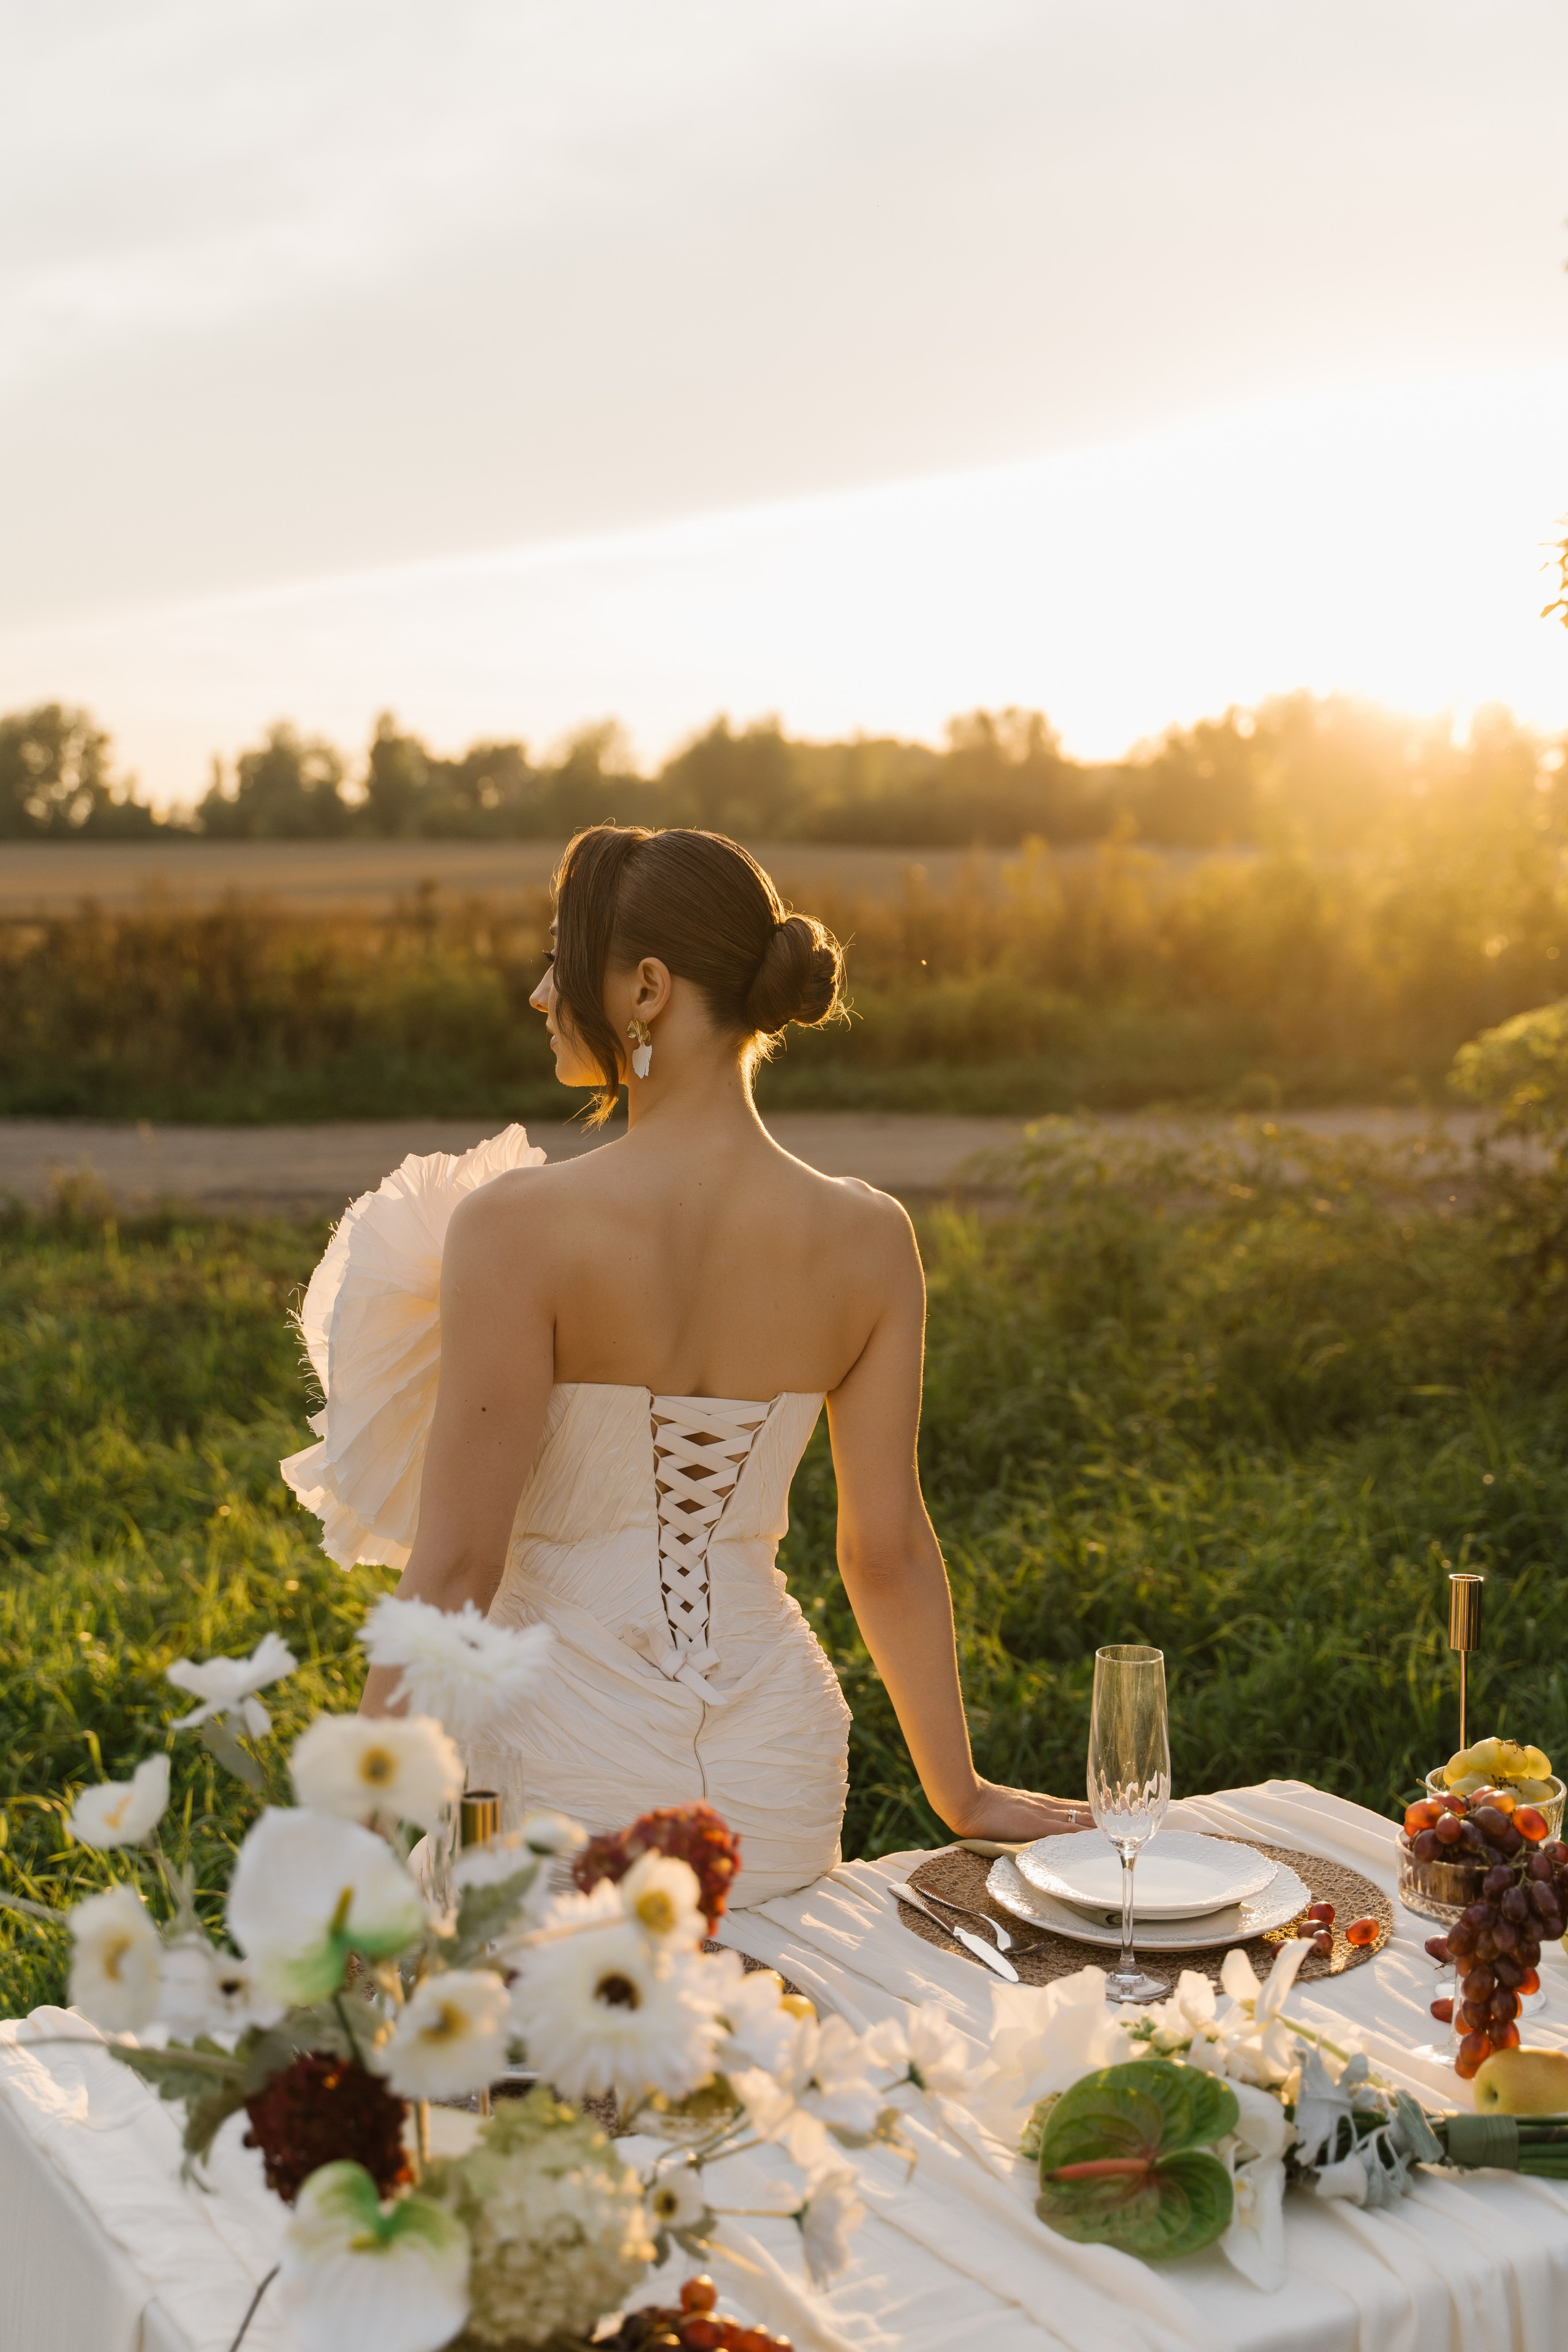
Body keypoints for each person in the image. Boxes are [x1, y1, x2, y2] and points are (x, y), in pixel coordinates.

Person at [287, 824, 1084, 1906]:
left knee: (562, 2060)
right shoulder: (870, 1237)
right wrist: (963, 1793)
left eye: (560, 963)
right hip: (776, 1770)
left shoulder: (516, 1229)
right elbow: (885, 1549)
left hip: (556, 1766)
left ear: (648, 989)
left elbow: (459, 1566)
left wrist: (350, 1835)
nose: (538, 993)